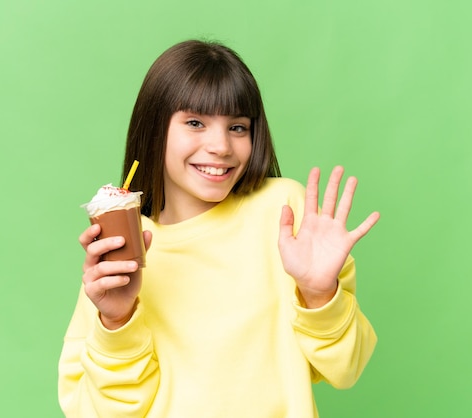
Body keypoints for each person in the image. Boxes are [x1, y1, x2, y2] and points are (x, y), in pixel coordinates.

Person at [58, 39, 380, 418]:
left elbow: (345, 369)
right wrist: (117, 320)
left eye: (238, 127)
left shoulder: (284, 214)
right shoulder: (121, 252)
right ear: (154, 127)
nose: (221, 146)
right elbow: (96, 412)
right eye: (195, 123)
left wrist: (319, 294)